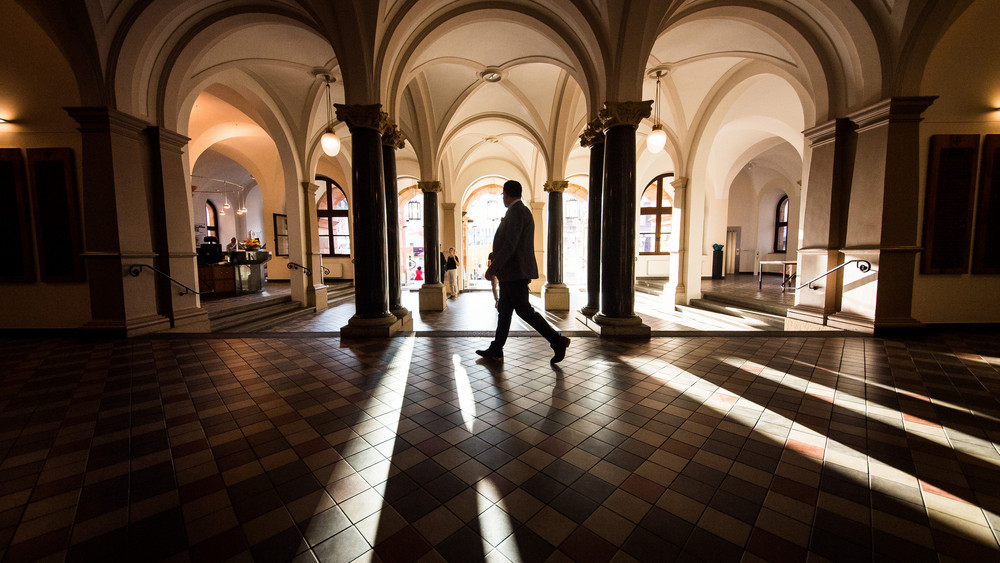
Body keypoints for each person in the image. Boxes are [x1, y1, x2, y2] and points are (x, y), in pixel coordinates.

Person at [477, 180, 570, 363]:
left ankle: (557, 340)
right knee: (504, 311)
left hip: (514, 273)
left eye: (503, 194)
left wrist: (492, 268)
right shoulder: (517, 211)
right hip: (511, 273)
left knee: (524, 311)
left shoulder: (517, 211)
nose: (502, 197)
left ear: (507, 193)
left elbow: (510, 245)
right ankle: (497, 348)